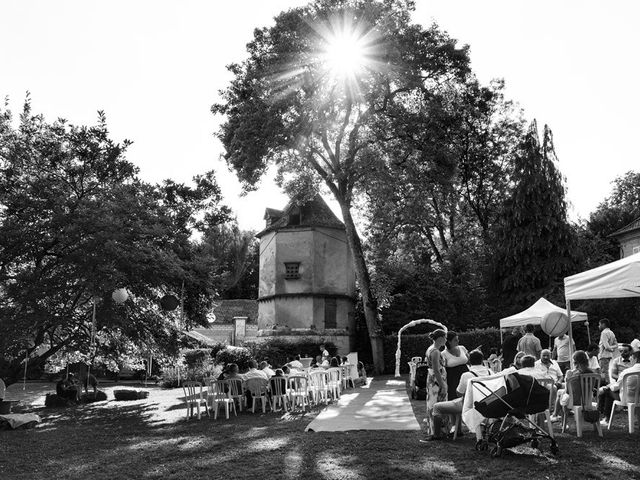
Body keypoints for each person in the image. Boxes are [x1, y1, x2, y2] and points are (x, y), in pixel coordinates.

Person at [424, 350, 492, 440]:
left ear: (469, 361)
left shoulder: (467, 375)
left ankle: (437, 435)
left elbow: (459, 393)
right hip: (488, 403)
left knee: (437, 407)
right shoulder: (491, 372)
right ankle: (457, 430)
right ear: (482, 360)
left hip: (469, 405)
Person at [598, 348, 640, 421]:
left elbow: (616, 387)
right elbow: (613, 375)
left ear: (635, 359)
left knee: (608, 391)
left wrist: (608, 387)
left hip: (628, 398)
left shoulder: (626, 372)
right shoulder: (617, 362)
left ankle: (607, 419)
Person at [552, 350, 594, 421]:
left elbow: (568, 391)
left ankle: (558, 417)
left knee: (560, 393)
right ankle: (556, 414)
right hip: (588, 400)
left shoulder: (572, 373)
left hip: (575, 401)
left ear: (575, 361)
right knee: (561, 393)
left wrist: (567, 379)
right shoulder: (591, 373)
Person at [424, 329, 447, 438]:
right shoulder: (435, 351)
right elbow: (436, 370)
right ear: (440, 338)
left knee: (432, 404)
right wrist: (442, 385)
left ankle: (434, 430)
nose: (446, 340)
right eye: (445, 338)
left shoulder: (430, 349)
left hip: (432, 380)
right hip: (436, 381)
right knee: (438, 405)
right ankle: (437, 432)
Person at [442, 331, 469, 401]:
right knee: (454, 399)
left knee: (468, 397)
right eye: (455, 340)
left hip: (466, 376)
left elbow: (469, 360)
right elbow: (443, 369)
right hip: (452, 379)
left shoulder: (462, 348)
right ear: (449, 342)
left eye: (458, 339)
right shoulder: (443, 354)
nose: (458, 341)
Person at [598, 318, 618, 384]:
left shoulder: (604, 333)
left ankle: (607, 387)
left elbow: (606, 347)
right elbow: (616, 345)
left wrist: (610, 348)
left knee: (604, 373)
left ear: (603, 324)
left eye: (599, 324)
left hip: (603, 355)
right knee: (606, 371)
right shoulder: (611, 332)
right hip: (609, 355)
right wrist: (611, 348)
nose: (599, 326)